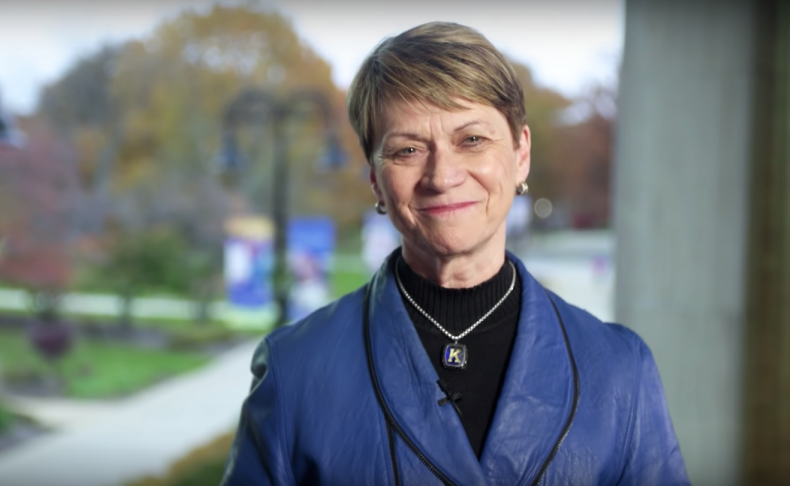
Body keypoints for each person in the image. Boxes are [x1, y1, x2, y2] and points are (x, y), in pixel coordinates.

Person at [220, 21, 689, 485]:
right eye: (407, 150)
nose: (442, 176)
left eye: (472, 140)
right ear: (375, 179)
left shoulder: (620, 371)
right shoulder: (295, 369)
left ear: (520, 153)